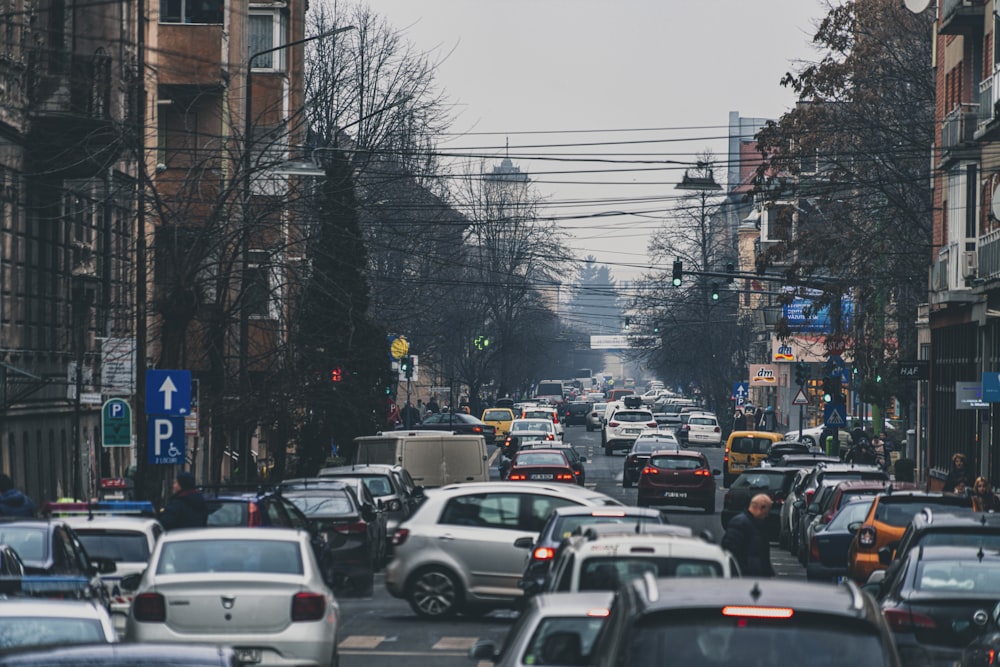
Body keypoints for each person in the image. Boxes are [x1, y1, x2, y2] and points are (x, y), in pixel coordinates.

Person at [721, 493, 775, 577]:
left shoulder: (758, 525)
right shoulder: (739, 524)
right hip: (745, 577)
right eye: (767, 511)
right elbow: (730, 551)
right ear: (761, 507)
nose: (767, 515)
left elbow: (763, 555)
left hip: (754, 577)